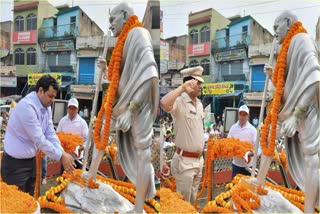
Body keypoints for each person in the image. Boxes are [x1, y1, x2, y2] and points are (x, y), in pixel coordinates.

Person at [92, 2, 159, 212]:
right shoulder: (122, 40)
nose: (110, 24)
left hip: (137, 106)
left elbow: (149, 73)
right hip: (120, 104)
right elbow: (116, 78)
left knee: (142, 152)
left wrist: (131, 110)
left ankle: (138, 208)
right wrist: (105, 70)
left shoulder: (139, 33)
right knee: (100, 128)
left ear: (124, 15)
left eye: (113, 19)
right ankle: (91, 174)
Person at [262, 11, 319, 212]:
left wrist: (297, 115)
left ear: (288, 23)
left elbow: (314, 76)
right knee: (268, 136)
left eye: (277, 26)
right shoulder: (285, 48)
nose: (274, 31)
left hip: (306, 110)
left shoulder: (302, 40)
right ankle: (259, 184)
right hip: (287, 111)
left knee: (312, 158)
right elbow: (283, 84)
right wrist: (272, 75)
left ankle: (310, 210)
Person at [1, 75, 75, 195]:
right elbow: (39, 139)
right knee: (17, 206)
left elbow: (50, 132)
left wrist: (62, 152)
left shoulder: (47, 107)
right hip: (14, 166)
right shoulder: (27, 107)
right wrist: (61, 157)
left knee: (30, 199)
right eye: (50, 96)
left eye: (54, 97)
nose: (52, 100)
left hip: (31, 161)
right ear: (40, 91)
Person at [160, 66, 204, 204]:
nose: (201, 87)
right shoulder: (179, 101)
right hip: (185, 162)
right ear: (190, 84)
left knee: (192, 201)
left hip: (198, 161)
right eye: (198, 83)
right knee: (182, 204)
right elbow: (163, 104)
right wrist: (182, 88)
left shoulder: (200, 104)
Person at [57, 98, 88, 170]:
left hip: (77, 158)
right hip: (65, 157)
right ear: (67, 109)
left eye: (74, 108)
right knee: (64, 179)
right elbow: (57, 135)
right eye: (70, 108)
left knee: (76, 179)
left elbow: (87, 139)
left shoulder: (82, 123)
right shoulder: (63, 121)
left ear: (77, 109)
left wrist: (83, 147)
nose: (71, 110)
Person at [228, 105, 257, 178]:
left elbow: (258, 148)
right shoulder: (233, 128)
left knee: (248, 188)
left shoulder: (252, 130)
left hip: (249, 166)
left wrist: (252, 153)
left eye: (245, 115)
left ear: (248, 116)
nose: (242, 117)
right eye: (241, 114)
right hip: (236, 165)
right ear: (238, 115)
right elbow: (228, 142)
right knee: (234, 187)